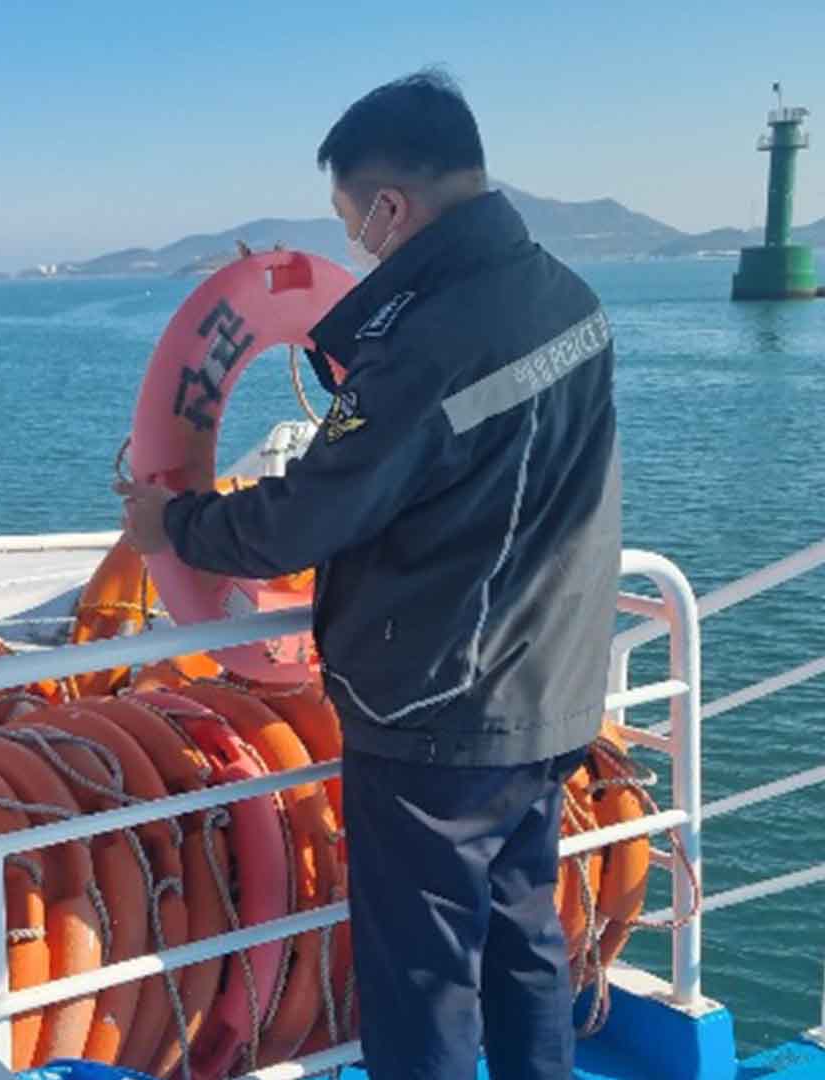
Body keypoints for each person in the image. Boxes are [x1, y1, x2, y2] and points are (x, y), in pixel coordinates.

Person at [117, 69, 620, 1080]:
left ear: (391, 205)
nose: (356, 244)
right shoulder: (567, 299)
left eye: (353, 223)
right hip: (550, 693)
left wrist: (169, 520)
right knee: (524, 944)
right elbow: (451, 448)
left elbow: (306, 516)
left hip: (439, 717)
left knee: (422, 983)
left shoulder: (428, 345)